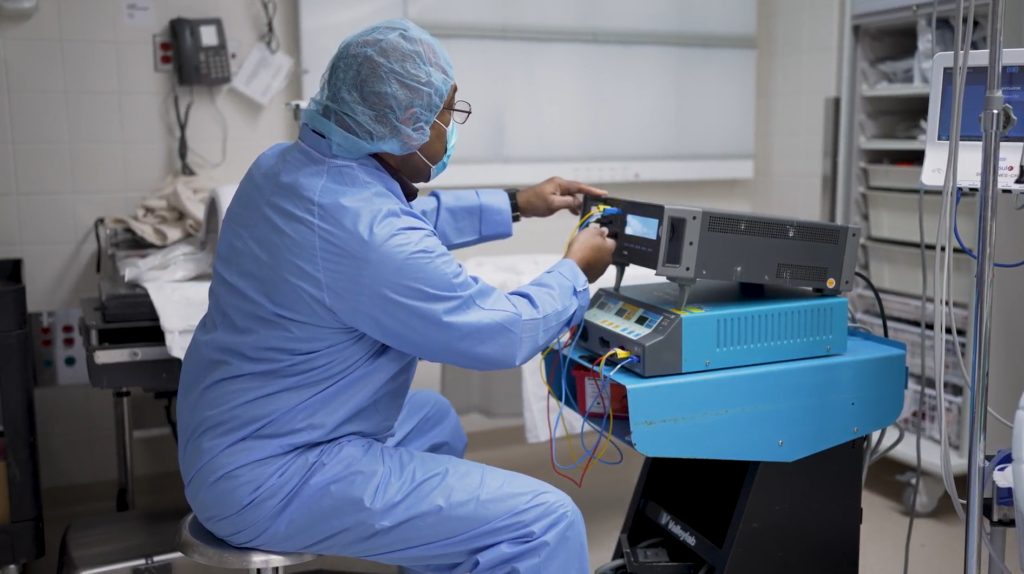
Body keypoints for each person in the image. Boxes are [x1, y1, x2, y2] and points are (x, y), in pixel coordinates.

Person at [177, 18, 615, 574]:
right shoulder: (367, 234)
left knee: (434, 419)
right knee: (545, 520)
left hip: (230, 442)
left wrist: (517, 203)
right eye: (448, 112)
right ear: (407, 124)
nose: (451, 128)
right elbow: (499, 332)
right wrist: (576, 270)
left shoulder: (282, 169)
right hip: (275, 477)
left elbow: (389, 222)